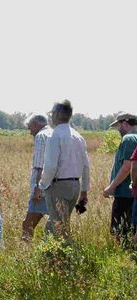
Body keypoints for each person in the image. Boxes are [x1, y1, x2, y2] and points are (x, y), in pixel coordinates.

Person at [39, 100, 90, 240]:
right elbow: (86, 166)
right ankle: (46, 254)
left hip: (58, 186)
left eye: (51, 113)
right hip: (75, 186)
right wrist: (84, 190)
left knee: (59, 228)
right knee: (57, 223)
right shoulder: (79, 137)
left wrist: (43, 185)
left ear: (56, 115)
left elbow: (50, 166)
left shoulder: (54, 135)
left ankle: (64, 258)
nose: (50, 116)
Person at [101, 113, 137, 239]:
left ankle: (125, 257)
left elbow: (127, 166)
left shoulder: (128, 139)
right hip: (134, 194)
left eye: (119, 126)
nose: (118, 130)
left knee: (120, 233)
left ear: (125, 124)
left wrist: (111, 187)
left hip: (125, 194)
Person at [22, 114, 53, 241]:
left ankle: (24, 252)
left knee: (27, 224)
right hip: (55, 187)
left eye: (30, 128)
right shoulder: (54, 133)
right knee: (55, 224)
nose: (30, 132)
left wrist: (37, 188)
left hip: (42, 188)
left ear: (36, 125)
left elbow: (40, 165)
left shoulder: (41, 136)